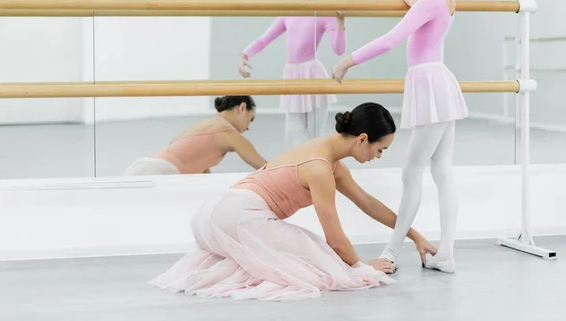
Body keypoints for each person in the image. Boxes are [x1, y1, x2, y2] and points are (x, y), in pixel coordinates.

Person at [149, 102, 438, 301]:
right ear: (362, 139)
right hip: (240, 215)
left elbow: (368, 203)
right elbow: (335, 240)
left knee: (305, 254)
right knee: (323, 260)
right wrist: (364, 268)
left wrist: (415, 236)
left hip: (213, 215)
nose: (379, 156)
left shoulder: (325, 157)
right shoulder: (320, 166)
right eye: (381, 149)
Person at [332, 0, 468, 273]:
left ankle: (392, 249)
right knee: (441, 169)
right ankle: (446, 254)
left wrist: (348, 60)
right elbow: (430, 23)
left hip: (429, 84)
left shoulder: (431, 2)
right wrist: (416, 4)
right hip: (439, 82)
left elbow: (391, 39)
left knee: (413, 172)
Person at [238, 0, 346, 147]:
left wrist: (340, 24)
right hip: (292, 75)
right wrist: (245, 55)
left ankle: (314, 171)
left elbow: (338, 49)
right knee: (293, 136)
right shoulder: (288, 12)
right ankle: (296, 172)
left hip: (313, 75)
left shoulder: (323, 12)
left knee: (314, 135)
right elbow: (264, 39)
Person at [123, 96, 267, 175]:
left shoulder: (206, 125)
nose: (248, 127)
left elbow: (202, 173)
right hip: (160, 173)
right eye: (251, 118)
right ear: (242, 108)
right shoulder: (227, 132)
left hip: (144, 168)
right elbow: (263, 166)